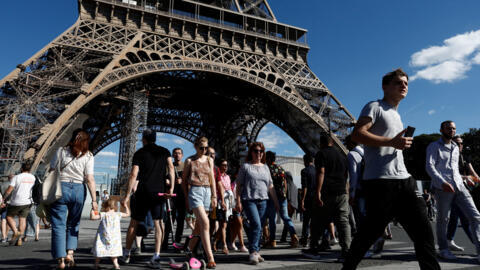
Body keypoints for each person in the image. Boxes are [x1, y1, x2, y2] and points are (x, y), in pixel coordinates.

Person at [343, 68, 440, 270]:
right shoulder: (374, 106)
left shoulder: (396, 115)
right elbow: (357, 135)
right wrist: (392, 142)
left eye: (406, 83)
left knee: (424, 235)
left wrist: (398, 145)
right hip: (381, 182)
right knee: (367, 236)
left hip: (404, 180)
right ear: (385, 86)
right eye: (398, 82)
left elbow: (392, 145)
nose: (404, 85)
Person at [426, 120, 480, 262]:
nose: (452, 131)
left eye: (454, 128)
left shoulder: (456, 147)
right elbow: (430, 167)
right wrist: (442, 182)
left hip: (459, 186)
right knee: (443, 220)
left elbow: (453, 169)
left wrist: (464, 178)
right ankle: (443, 249)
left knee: (475, 216)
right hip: (442, 188)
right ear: (441, 130)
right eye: (449, 128)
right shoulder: (434, 146)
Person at [121, 129, 174, 266]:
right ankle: (156, 256)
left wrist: (127, 196)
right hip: (159, 192)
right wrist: (171, 188)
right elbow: (171, 169)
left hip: (143, 191)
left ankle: (126, 253)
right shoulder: (165, 151)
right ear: (155, 138)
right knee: (158, 223)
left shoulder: (139, 153)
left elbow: (133, 174)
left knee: (134, 222)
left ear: (144, 139)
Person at [49, 128, 98, 269]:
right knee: (74, 223)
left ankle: (61, 260)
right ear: (86, 141)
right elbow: (89, 178)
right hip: (78, 190)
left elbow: (52, 170)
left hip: (61, 188)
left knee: (59, 225)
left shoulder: (61, 151)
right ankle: (70, 253)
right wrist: (94, 200)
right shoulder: (88, 156)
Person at [303, 135, 351, 261]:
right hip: (341, 192)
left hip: (327, 193)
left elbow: (321, 172)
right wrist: (346, 191)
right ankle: (346, 252)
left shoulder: (321, 154)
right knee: (343, 222)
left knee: (317, 221)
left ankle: (313, 248)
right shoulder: (342, 156)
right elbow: (346, 175)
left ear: (322, 143)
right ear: (333, 143)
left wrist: (318, 192)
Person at [235, 142, 280, 265]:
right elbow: (239, 185)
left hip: (263, 200)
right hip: (249, 199)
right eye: (256, 151)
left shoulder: (266, 167)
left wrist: (276, 202)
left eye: (261, 151)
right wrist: (238, 201)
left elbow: (270, 186)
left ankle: (256, 251)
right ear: (251, 152)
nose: (259, 153)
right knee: (257, 225)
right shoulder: (245, 167)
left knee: (258, 227)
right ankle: (253, 251)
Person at [182, 137, 217, 268]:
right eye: (201, 147)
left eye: (206, 148)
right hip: (195, 191)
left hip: (207, 192)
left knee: (199, 226)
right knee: (206, 223)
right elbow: (184, 181)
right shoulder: (189, 161)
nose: (204, 150)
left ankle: (188, 250)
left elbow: (212, 179)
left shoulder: (210, 160)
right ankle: (210, 257)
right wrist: (186, 198)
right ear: (195, 146)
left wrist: (214, 196)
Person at [264, 151, 299, 248]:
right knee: (285, 217)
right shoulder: (280, 168)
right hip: (282, 196)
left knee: (272, 219)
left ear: (268, 159)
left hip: (272, 196)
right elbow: (285, 183)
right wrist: (285, 195)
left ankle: (272, 240)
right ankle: (293, 235)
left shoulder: (267, 169)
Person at [2, 162, 35, 246]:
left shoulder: (17, 177)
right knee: (22, 219)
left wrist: (3, 199)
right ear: (30, 169)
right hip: (28, 201)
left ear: (21, 169)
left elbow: (9, 190)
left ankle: (16, 232)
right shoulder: (33, 177)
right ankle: (19, 239)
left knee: (8, 217)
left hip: (16, 201)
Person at [91, 197, 130, 270]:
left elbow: (93, 217)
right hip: (114, 238)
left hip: (103, 237)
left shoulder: (103, 214)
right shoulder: (118, 214)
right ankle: (116, 265)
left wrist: (92, 209)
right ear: (115, 207)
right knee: (114, 253)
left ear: (105, 206)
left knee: (100, 251)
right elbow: (128, 214)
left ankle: (96, 265)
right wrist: (126, 206)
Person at [213, 159, 234, 254]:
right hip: (219, 202)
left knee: (224, 225)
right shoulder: (217, 176)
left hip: (228, 202)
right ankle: (224, 245)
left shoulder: (228, 177)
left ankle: (215, 241)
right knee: (222, 224)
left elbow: (229, 188)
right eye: (223, 165)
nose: (225, 167)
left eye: (226, 165)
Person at [300, 154, 315, 247]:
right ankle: (314, 239)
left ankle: (305, 239)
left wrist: (302, 199)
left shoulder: (304, 171)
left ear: (305, 161)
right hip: (316, 197)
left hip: (308, 198)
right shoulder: (317, 170)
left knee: (306, 220)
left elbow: (304, 187)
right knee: (314, 220)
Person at [172, 147, 186, 244]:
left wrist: (183, 181)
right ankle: (164, 242)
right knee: (170, 220)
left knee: (180, 221)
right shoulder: (169, 166)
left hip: (182, 196)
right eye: (175, 153)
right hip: (172, 195)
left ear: (182, 155)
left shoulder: (186, 166)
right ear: (173, 155)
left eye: (179, 153)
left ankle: (177, 241)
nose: (177, 155)